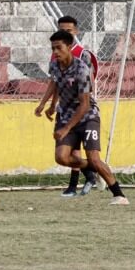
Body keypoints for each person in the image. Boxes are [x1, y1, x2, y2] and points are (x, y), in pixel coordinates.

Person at [46, 30, 129, 206]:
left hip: (87, 116)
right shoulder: (54, 65)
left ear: (69, 47)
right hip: (66, 116)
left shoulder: (82, 70)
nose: (55, 52)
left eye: (59, 48)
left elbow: (84, 105)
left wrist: (66, 128)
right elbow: (56, 84)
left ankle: (119, 195)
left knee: (94, 157)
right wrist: (49, 105)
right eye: (53, 48)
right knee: (61, 157)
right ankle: (94, 169)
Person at [34, 15, 100, 196]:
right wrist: (49, 104)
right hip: (65, 107)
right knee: (70, 150)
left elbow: (87, 84)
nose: (65, 33)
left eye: (69, 30)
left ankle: (80, 181)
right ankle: (84, 179)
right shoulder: (56, 54)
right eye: (62, 30)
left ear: (76, 31)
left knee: (75, 149)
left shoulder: (83, 55)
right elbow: (56, 82)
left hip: (82, 106)